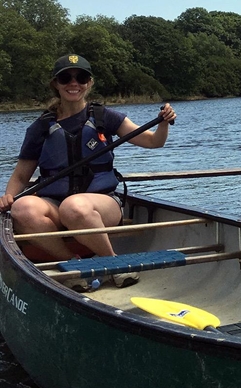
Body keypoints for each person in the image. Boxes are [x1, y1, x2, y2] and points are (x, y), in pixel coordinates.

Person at [0, 54, 176, 290]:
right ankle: (74, 265)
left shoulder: (105, 117)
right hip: (54, 203)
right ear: (56, 84)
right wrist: (8, 197)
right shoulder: (40, 127)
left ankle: (114, 264)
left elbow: (154, 142)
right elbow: (21, 176)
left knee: (74, 206)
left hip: (102, 204)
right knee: (22, 208)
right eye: (66, 78)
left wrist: (163, 123)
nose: (74, 83)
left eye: (81, 77)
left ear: (89, 83)